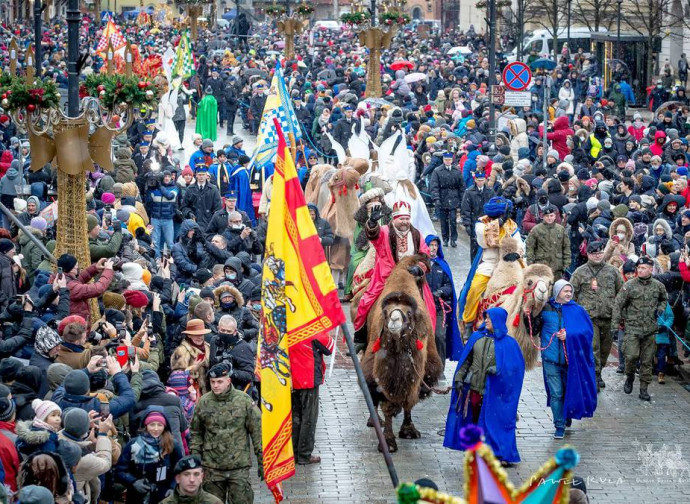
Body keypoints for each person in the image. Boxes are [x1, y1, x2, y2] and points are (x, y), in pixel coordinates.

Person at [443, 307, 524, 464]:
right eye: (486, 317)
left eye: (489, 318)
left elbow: (515, 370)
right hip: (474, 389)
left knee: (497, 423)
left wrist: (499, 370)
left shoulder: (509, 344)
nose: (486, 320)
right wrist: (459, 378)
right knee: (476, 421)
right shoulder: (476, 337)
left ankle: (499, 454)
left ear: (498, 321)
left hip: (495, 393)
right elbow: (466, 360)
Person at [353, 201, 436, 350]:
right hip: (386, 275)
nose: (404, 222)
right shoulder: (384, 231)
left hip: (410, 277)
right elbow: (374, 236)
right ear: (394, 218)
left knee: (429, 308)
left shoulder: (416, 234)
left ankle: (429, 347)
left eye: (406, 218)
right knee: (366, 301)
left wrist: (419, 269)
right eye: (401, 219)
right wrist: (372, 223)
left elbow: (424, 255)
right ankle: (361, 336)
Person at [526, 280, 597, 438]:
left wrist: (569, 335)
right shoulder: (544, 308)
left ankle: (567, 414)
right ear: (557, 292)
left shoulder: (577, 310)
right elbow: (533, 329)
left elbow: (587, 332)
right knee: (556, 393)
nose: (568, 294)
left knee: (568, 390)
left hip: (571, 361)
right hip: (550, 359)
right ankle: (559, 425)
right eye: (565, 291)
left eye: (570, 291)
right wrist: (529, 315)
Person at [189, 363, 262, 504]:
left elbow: (257, 432)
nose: (216, 385)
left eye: (219, 382)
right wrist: (195, 458)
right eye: (213, 382)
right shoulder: (204, 403)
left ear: (228, 381)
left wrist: (262, 460)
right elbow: (196, 432)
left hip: (238, 466)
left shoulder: (244, 401)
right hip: (212, 467)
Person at [570, 240, 624, 391]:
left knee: (606, 349)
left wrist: (620, 313)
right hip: (588, 317)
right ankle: (594, 375)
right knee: (594, 347)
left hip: (608, 315)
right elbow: (572, 293)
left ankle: (599, 371)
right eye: (594, 253)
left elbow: (621, 292)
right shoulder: (580, 272)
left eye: (600, 253)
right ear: (588, 254)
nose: (597, 256)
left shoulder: (612, 271)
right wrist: (573, 314)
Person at [613, 256, 668, 401]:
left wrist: (660, 309)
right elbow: (618, 304)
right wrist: (615, 325)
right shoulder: (629, 285)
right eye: (639, 268)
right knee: (630, 356)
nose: (640, 270)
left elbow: (664, 299)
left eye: (643, 268)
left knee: (647, 360)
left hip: (650, 329)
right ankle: (629, 376)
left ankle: (644, 389)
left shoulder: (658, 286)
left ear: (651, 269)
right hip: (632, 328)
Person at [115, 409, 183, 504]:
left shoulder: (172, 445)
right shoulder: (133, 444)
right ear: (146, 426)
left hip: (164, 495)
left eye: (159, 425)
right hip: (137, 494)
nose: (156, 429)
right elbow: (120, 470)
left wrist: (173, 487)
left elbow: (180, 469)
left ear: (165, 426)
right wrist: (133, 482)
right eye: (152, 424)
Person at [290, 331, 334, 465]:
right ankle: (304, 454)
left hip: (291, 378)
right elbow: (329, 347)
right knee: (309, 418)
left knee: (295, 417)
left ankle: (294, 452)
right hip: (307, 379)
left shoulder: (286, 326)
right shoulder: (311, 330)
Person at [425, 235, 462, 364]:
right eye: (431, 245)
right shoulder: (420, 265)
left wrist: (440, 292)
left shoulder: (442, 265)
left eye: (436, 245)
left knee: (439, 336)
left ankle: (439, 367)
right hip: (423, 307)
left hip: (439, 308)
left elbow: (448, 285)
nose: (433, 248)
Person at [525, 204, 570, 280]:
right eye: (547, 216)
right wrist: (531, 264)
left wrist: (567, 263)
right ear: (543, 216)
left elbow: (566, 247)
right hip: (541, 267)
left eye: (551, 216)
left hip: (557, 267)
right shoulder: (536, 230)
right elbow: (530, 247)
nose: (549, 218)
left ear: (555, 216)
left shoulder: (561, 229)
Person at [430, 151, 465, 248]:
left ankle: (453, 239)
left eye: (449, 159)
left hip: (453, 198)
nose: (448, 161)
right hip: (442, 198)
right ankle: (445, 239)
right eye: (446, 159)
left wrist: (462, 199)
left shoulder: (456, 170)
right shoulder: (437, 171)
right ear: (443, 160)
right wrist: (436, 198)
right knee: (443, 221)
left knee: (453, 220)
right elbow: (434, 186)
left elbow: (461, 186)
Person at [461, 170, 494, 259]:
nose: (481, 182)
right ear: (475, 180)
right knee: (474, 248)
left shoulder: (490, 192)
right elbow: (465, 209)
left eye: (482, 180)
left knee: (488, 248)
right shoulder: (469, 192)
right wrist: (467, 224)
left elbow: (493, 207)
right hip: (474, 223)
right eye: (479, 180)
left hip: (487, 223)